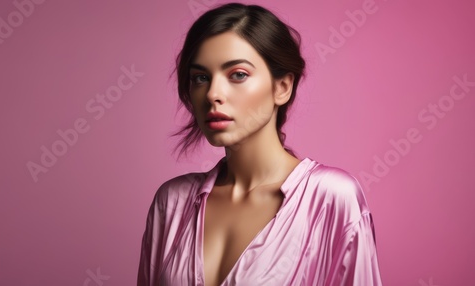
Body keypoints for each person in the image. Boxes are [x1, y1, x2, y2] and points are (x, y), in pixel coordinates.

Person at [138, 3, 383, 285]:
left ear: (282, 87)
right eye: (201, 78)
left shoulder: (331, 198)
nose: (213, 94)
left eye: (238, 74)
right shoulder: (172, 201)